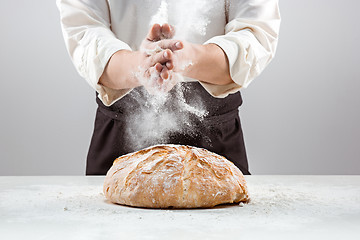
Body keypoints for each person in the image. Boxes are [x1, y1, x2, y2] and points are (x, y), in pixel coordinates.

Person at [56, 0, 281, 175]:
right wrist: (141, 65)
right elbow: (85, 30)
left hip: (214, 134)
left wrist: (189, 58)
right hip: (120, 128)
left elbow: (256, 32)